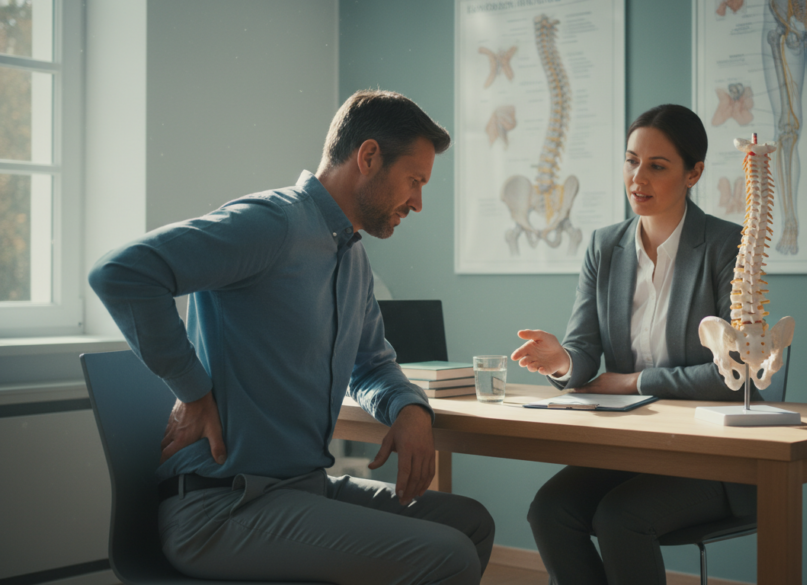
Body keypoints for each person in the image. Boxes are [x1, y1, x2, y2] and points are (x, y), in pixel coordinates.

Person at [90, 90, 494, 585]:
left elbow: (371, 364)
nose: (418, 201)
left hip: (300, 489)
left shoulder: (351, 256)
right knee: (447, 556)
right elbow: (121, 273)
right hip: (223, 507)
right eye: (414, 181)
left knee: (470, 523)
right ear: (368, 158)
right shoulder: (271, 223)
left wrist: (408, 409)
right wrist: (191, 388)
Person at [510, 104, 758, 585]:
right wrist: (562, 360)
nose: (637, 178)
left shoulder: (728, 246)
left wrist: (634, 381)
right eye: (630, 161)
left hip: (716, 458)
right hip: (633, 450)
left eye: (657, 166)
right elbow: (583, 352)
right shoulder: (604, 247)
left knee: (620, 517)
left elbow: (736, 377)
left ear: (695, 173)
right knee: (549, 510)